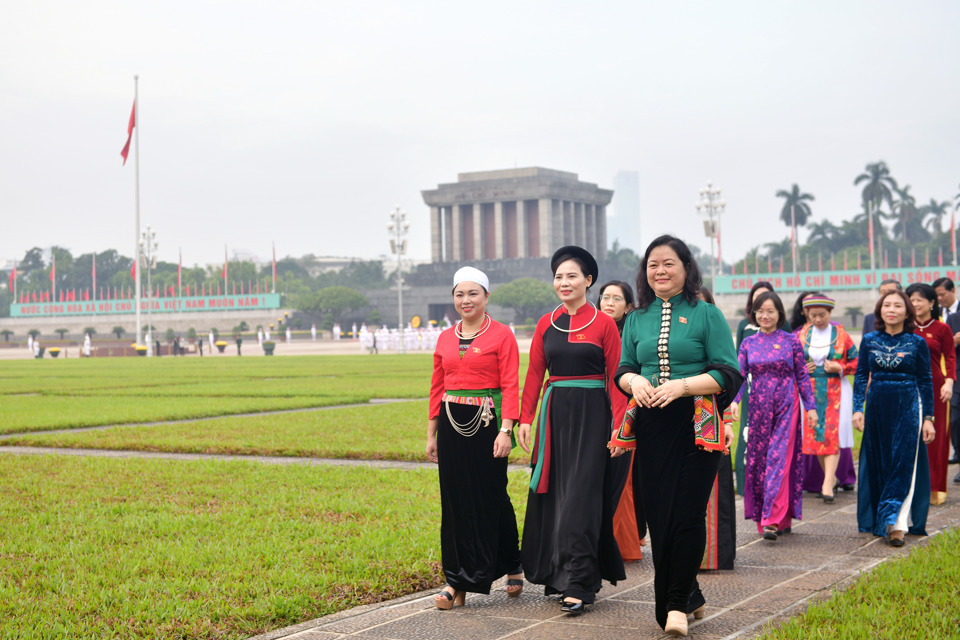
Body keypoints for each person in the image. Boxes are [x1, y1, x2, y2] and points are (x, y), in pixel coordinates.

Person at [610, 235, 742, 636]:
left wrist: (682, 386)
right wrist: (634, 381)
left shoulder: (706, 315)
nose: (660, 271)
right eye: (653, 265)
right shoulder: (635, 319)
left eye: (669, 264)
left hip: (697, 422)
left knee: (686, 514)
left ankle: (675, 604)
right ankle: (691, 595)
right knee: (659, 515)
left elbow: (728, 372)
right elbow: (623, 368)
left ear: (686, 268)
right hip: (651, 424)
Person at [518, 246, 625, 616]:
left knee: (581, 499)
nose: (564, 282)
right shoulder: (546, 323)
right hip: (553, 418)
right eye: (559, 276)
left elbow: (616, 379)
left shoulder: (604, 324)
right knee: (555, 497)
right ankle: (557, 574)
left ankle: (580, 583)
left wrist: (620, 427)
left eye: (572, 276)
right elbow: (535, 373)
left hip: (593, 418)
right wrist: (526, 418)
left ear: (588, 281)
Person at [426, 266, 523, 609]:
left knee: (491, 496)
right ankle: (457, 581)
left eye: (472, 294)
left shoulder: (502, 335)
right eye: (459, 294)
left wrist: (506, 430)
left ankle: (512, 562)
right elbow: (437, 388)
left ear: (486, 297)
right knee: (455, 502)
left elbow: (511, 384)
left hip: (488, 424)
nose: (465, 300)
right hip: (452, 425)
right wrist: (432, 435)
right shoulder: (444, 338)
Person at [733, 291, 818, 540]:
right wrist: (735, 402)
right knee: (759, 462)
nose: (765, 315)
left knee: (779, 459)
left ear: (780, 314)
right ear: (754, 314)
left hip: (786, 405)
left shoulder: (791, 341)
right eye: (760, 311)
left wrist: (810, 407)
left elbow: (802, 375)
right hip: (758, 407)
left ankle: (773, 519)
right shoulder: (749, 343)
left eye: (770, 311)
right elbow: (739, 375)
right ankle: (774, 516)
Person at [854, 289, 935, 547]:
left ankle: (897, 524)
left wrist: (929, 417)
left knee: (902, 463)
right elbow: (859, 377)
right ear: (880, 310)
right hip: (877, 408)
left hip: (908, 407)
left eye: (898, 306)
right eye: (886, 305)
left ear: (907, 312)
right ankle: (882, 516)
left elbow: (925, 381)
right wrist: (857, 408)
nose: (891, 310)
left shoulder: (917, 343)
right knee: (880, 462)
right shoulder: (868, 340)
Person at [597, 280, 644, 563]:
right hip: (594, 408)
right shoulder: (591, 329)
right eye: (605, 297)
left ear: (628, 306)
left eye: (616, 298)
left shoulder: (632, 334)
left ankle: (624, 544)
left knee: (622, 478)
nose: (609, 303)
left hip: (626, 409)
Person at [796, 295, 858, 502]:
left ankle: (827, 484)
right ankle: (830, 479)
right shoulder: (802, 335)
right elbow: (791, 364)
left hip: (837, 390)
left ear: (830, 314)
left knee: (831, 434)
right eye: (813, 315)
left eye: (822, 315)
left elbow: (858, 361)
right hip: (810, 390)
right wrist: (803, 369)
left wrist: (842, 368)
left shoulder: (842, 335)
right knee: (817, 436)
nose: (818, 319)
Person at [734, 281, 788, 497]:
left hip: (779, 395)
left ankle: (775, 486)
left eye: (768, 301)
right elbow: (739, 363)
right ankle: (746, 482)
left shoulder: (785, 332)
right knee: (747, 436)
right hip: (750, 390)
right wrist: (735, 399)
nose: (765, 310)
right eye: (759, 301)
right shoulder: (744, 327)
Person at [697, 286, 737, 570]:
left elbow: (729, 378)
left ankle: (714, 554)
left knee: (714, 489)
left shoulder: (717, 334)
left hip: (711, 415)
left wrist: (727, 420)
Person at [906, 283, 955, 505]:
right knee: (908, 436)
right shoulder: (904, 327)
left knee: (936, 439)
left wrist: (949, 383)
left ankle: (935, 489)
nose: (915, 304)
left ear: (932, 302)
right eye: (911, 300)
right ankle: (909, 487)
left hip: (936, 389)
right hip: (907, 387)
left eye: (919, 300)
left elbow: (950, 358)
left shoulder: (942, 328)